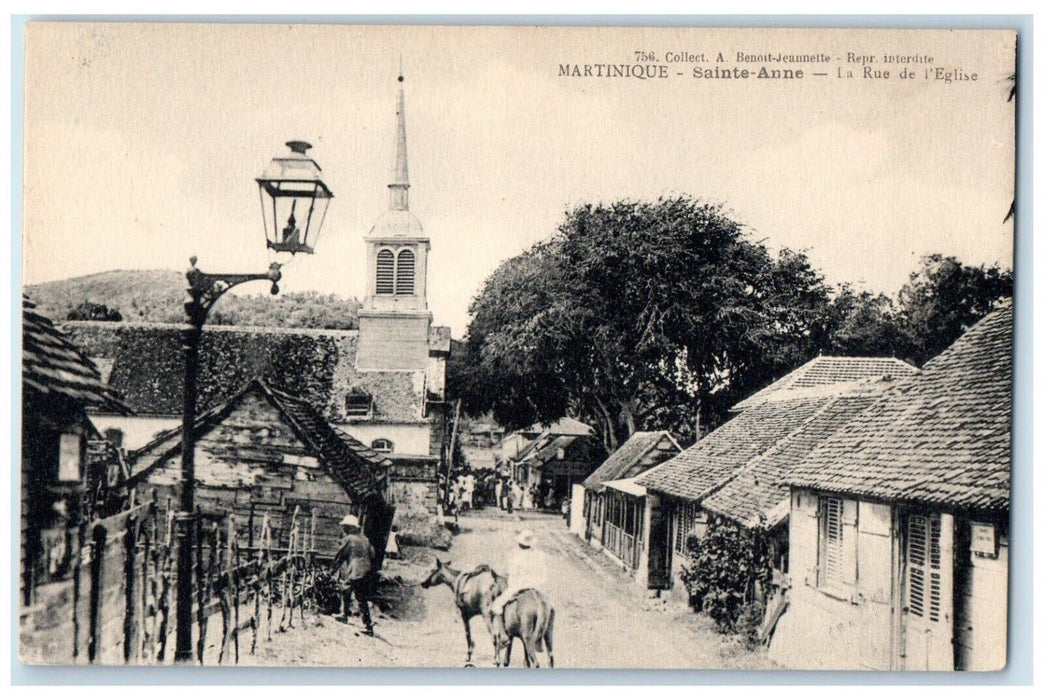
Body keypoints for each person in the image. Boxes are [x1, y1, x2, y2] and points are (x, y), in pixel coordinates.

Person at [329, 514, 376, 636]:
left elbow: (340, 557)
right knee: (347, 589)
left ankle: (368, 627)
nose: (343, 529)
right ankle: (344, 615)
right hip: (366, 570)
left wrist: (331, 572)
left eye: (345, 527)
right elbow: (373, 554)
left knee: (360, 598)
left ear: (350, 527)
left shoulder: (349, 539)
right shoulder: (365, 539)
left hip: (356, 571)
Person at [490, 529, 550, 618]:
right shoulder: (539, 557)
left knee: (497, 604)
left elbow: (512, 574)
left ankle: (500, 623)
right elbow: (544, 575)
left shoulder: (517, 558)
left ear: (519, 544)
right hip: (537, 586)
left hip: (520, 585)